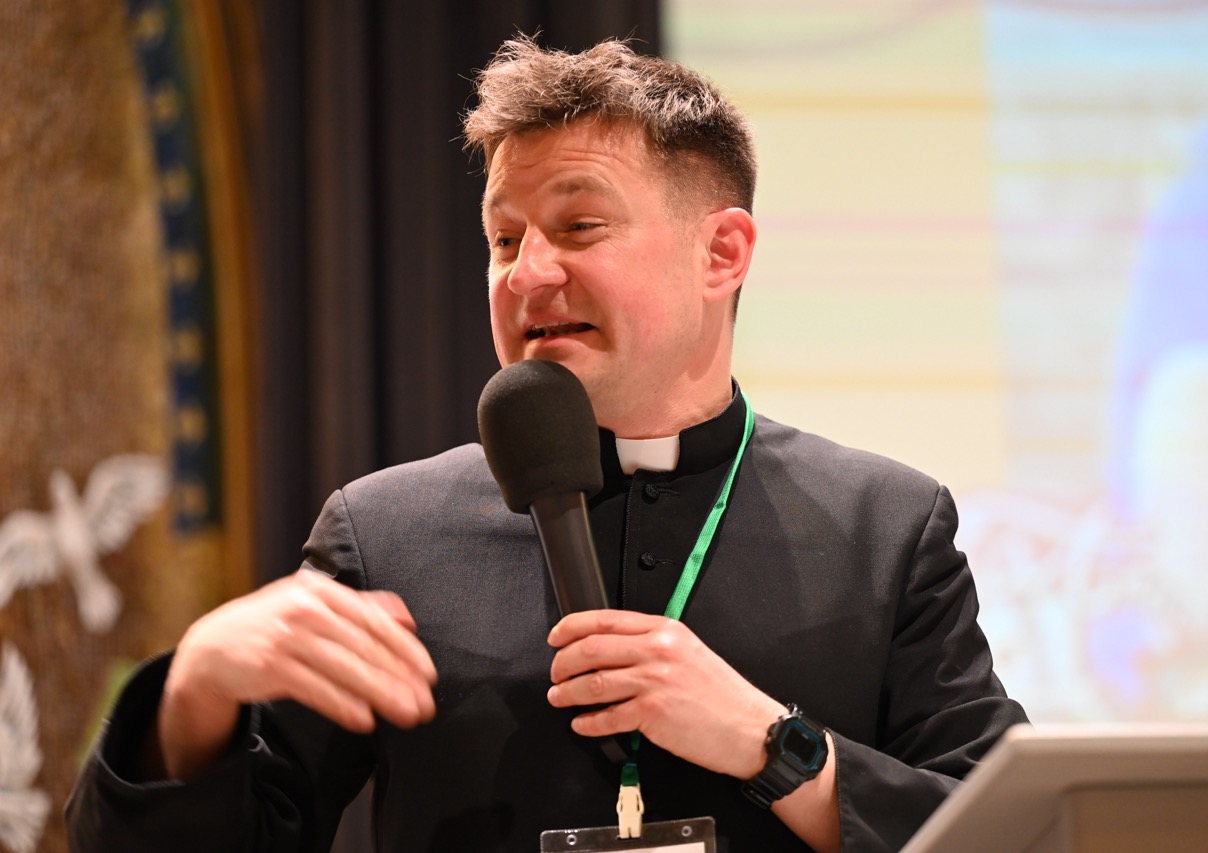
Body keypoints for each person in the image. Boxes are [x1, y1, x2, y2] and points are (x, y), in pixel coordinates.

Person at [66, 36, 1027, 852]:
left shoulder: (885, 528)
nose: (526, 275)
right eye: (503, 238)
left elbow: (1014, 830)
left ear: (722, 252)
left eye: (580, 225)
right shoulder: (385, 534)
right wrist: (193, 695)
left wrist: (772, 744)